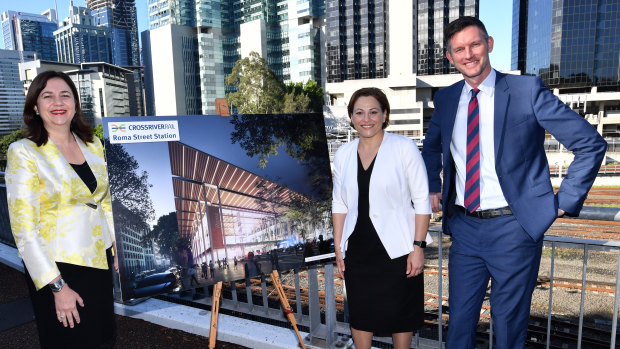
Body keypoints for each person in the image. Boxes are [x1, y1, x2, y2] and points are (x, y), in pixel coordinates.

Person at [421, 17, 607, 348]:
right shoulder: (447, 99)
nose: (469, 54)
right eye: (459, 49)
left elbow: (589, 143)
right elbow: (432, 145)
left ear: (489, 44)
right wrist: (433, 185)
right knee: (460, 321)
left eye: (475, 44)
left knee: (508, 325)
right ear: (450, 57)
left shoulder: (526, 90)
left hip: (514, 229)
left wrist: (566, 200)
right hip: (464, 228)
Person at [6, 70, 119, 348]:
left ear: (76, 103)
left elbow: (104, 201)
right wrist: (57, 286)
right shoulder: (24, 152)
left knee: (101, 338)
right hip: (58, 267)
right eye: (48, 96)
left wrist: (118, 247)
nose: (58, 102)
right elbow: (24, 229)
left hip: (99, 260)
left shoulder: (93, 145)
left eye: (65, 95)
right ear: (35, 105)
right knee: (68, 341)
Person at [332, 87, 432, 349]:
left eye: (373, 112)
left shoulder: (404, 148)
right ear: (351, 117)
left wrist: (418, 248)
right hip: (358, 249)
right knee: (361, 313)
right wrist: (338, 247)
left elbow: (422, 200)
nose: (367, 118)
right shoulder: (343, 154)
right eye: (359, 112)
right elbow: (339, 203)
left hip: (398, 249)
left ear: (385, 114)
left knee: (401, 315)